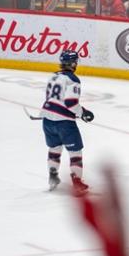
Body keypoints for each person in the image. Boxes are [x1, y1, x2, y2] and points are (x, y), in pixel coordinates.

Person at [41, 50, 94, 196]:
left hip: (47, 119)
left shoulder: (53, 76)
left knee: (54, 148)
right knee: (75, 151)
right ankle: (77, 182)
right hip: (64, 123)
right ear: (73, 63)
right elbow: (70, 103)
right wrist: (83, 112)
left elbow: (51, 98)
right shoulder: (73, 80)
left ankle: (53, 175)